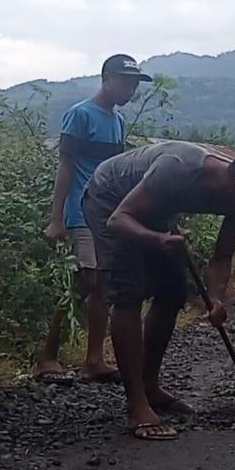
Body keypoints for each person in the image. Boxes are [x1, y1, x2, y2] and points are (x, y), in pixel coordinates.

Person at [82, 141, 235, 440]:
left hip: (154, 210)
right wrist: (158, 239)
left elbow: (223, 255)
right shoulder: (178, 169)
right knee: (128, 292)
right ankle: (136, 406)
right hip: (110, 199)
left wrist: (214, 299)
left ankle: (150, 385)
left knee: (173, 291)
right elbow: (117, 220)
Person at [35, 54, 150, 385]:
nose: (131, 90)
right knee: (88, 281)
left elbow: (118, 172)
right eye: (126, 82)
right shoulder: (80, 115)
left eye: (134, 85)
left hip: (106, 213)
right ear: (107, 79)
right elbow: (66, 166)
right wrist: (56, 218)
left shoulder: (116, 121)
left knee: (99, 285)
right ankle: (48, 356)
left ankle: (94, 359)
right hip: (81, 210)